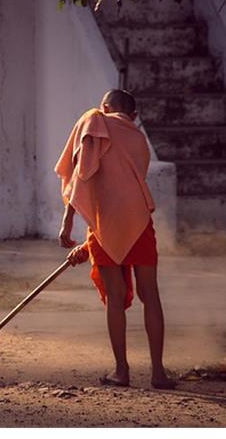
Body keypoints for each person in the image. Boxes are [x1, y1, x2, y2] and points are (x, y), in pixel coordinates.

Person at [54, 89, 177, 390]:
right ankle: (158, 373)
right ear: (133, 116)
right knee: (151, 294)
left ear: (105, 107)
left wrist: (68, 220)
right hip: (138, 219)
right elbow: (126, 182)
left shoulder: (94, 120)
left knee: (115, 297)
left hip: (105, 220)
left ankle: (121, 372)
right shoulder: (138, 138)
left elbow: (83, 173)